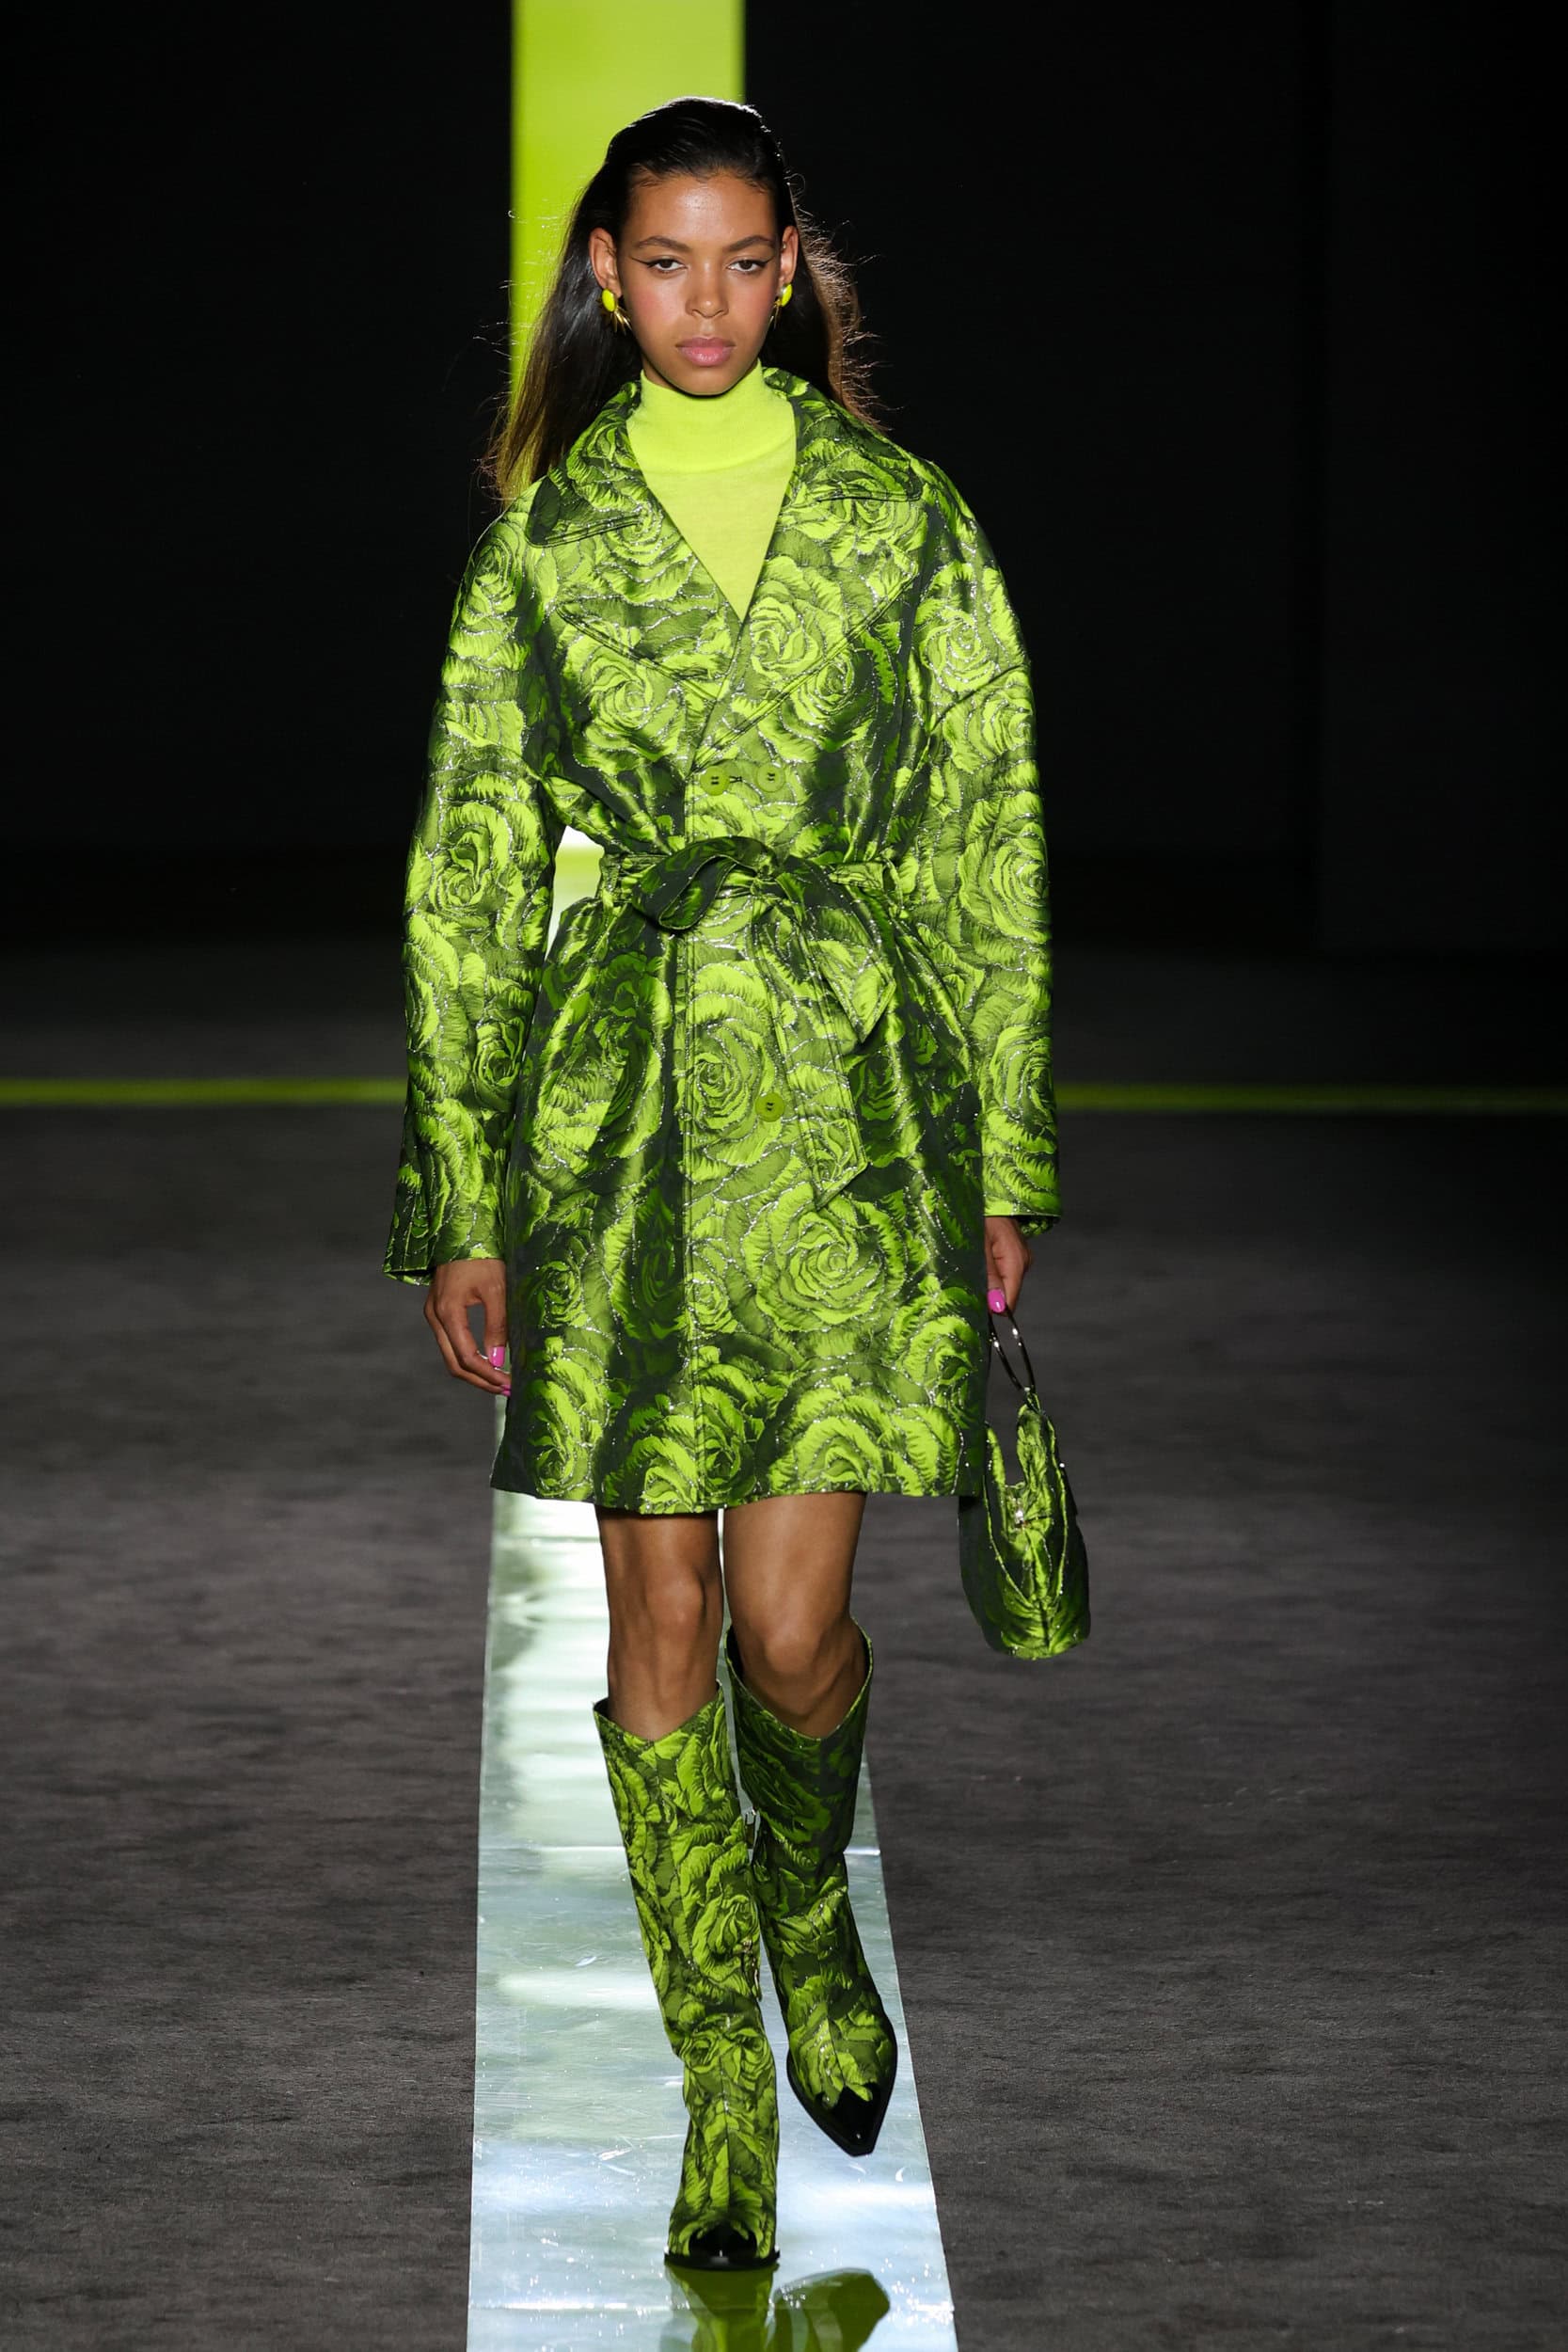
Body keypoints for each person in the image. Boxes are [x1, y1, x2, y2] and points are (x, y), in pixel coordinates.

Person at [385, 96, 1057, 2274]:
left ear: (791, 269)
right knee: (660, 1610)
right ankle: (720, 2093)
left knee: (789, 1629)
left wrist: (1002, 1150)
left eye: (741, 261)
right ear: (608, 270)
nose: (702, 301)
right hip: (623, 1111)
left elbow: (984, 837)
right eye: (662, 261)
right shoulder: (552, 543)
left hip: (851, 1109)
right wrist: (464, 1188)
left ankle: (808, 1914)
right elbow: (473, 867)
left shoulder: (902, 518)